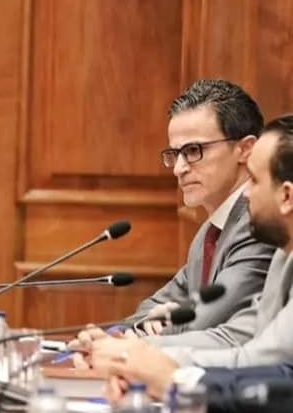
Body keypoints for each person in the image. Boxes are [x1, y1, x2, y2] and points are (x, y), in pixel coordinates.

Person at [90, 115, 293, 406]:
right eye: (175, 154)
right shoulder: (281, 255)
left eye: (255, 180)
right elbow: (243, 336)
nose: (246, 194)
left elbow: (262, 359)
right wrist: (130, 352)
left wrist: (163, 373)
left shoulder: (263, 241)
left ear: (287, 196)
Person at [76, 81, 274, 348]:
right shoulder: (210, 232)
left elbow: (207, 320)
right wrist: (119, 334)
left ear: (245, 149)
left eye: (193, 151)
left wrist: (130, 342)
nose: (178, 168)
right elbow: (153, 305)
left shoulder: (260, 224)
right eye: (175, 154)